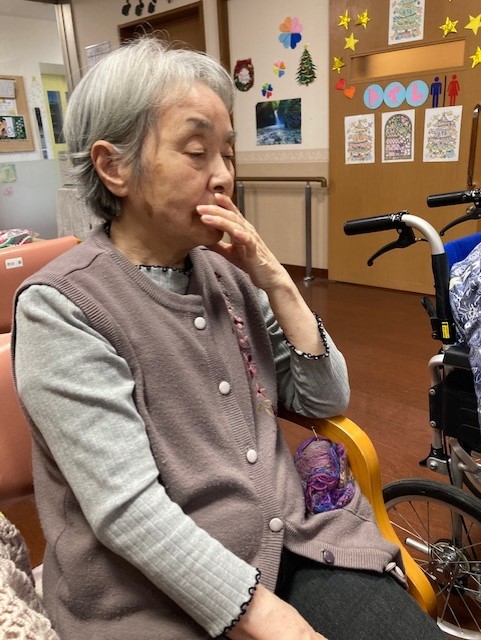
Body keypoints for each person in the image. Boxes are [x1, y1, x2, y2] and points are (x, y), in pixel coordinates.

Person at [12, 37, 444, 640]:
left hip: (288, 540)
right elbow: (129, 511)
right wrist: (275, 621)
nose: (224, 176)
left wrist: (278, 283)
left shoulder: (225, 275)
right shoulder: (61, 308)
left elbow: (324, 399)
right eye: (197, 152)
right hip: (143, 591)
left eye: (228, 153)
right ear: (114, 168)